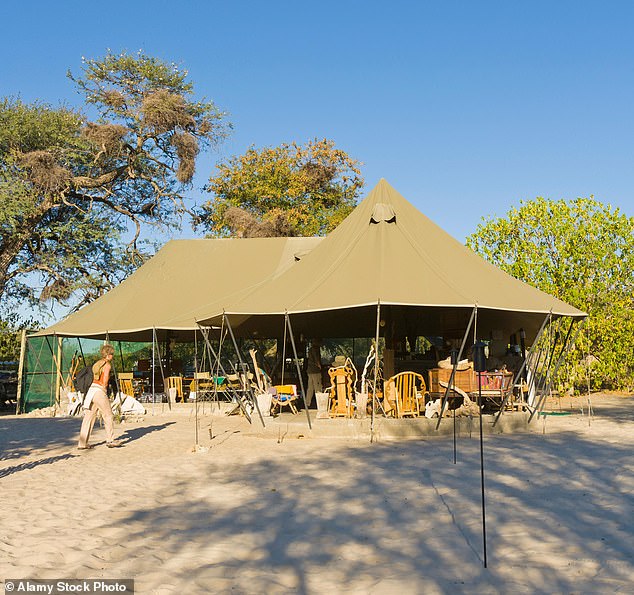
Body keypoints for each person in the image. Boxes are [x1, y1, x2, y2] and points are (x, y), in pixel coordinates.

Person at [77, 344, 123, 449]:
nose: (112, 356)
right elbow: (105, 379)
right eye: (112, 354)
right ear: (108, 354)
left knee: (89, 417)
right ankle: (110, 440)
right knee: (108, 415)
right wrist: (105, 388)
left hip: (91, 391)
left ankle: (82, 443)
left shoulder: (97, 363)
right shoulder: (107, 365)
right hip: (99, 391)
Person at [305, 338, 323, 407]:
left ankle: (307, 403)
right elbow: (316, 359)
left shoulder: (310, 350)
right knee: (317, 387)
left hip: (309, 371)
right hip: (315, 371)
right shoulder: (315, 350)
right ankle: (320, 403)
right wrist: (319, 365)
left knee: (310, 387)